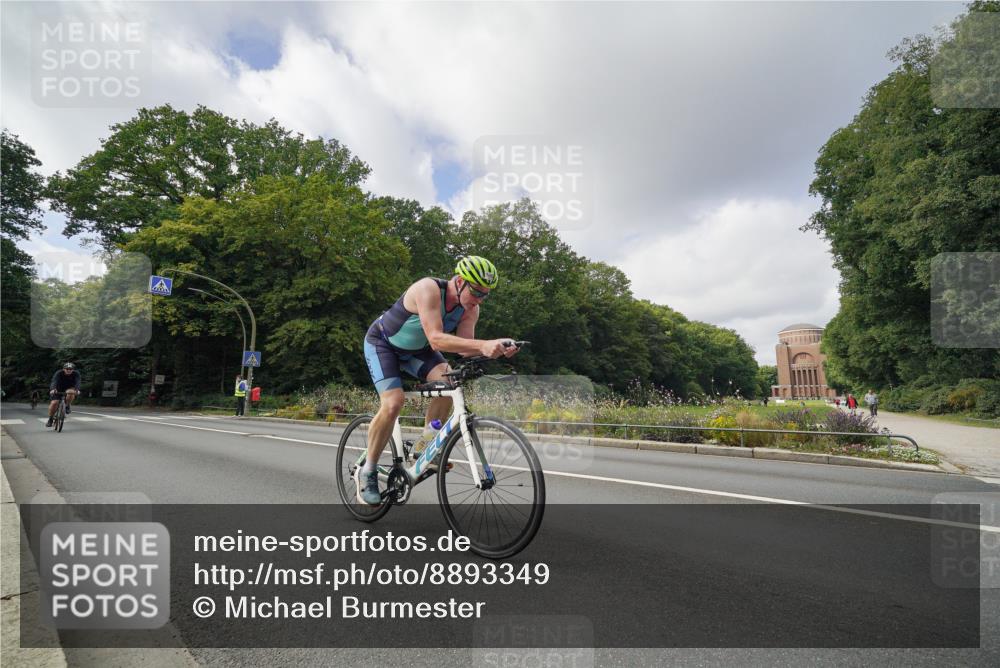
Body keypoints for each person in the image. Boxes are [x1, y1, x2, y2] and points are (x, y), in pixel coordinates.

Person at [357, 256, 519, 505]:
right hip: (383, 344)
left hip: (417, 351)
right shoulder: (428, 289)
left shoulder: (471, 309)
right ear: (461, 281)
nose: (479, 299)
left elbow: (466, 349)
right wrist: (484, 345)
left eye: (485, 295)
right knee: (393, 403)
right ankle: (367, 471)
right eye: (476, 292)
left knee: (449, 385)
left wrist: (498, 348)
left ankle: (425, 443)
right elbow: (436, 339)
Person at [47, 363, 81, 427]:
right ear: (63, 369)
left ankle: (67, 405)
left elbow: (78, 382)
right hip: (58, 388)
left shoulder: (76, 374)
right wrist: (53, 389)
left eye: (70, 369)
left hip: (69, 388)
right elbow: (54, 381)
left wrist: (77, 390)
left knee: (71, 392)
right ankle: (50, 419)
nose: (68, 370)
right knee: (54, 403)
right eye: (67, 369)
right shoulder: (59, 373)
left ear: (73, 370)